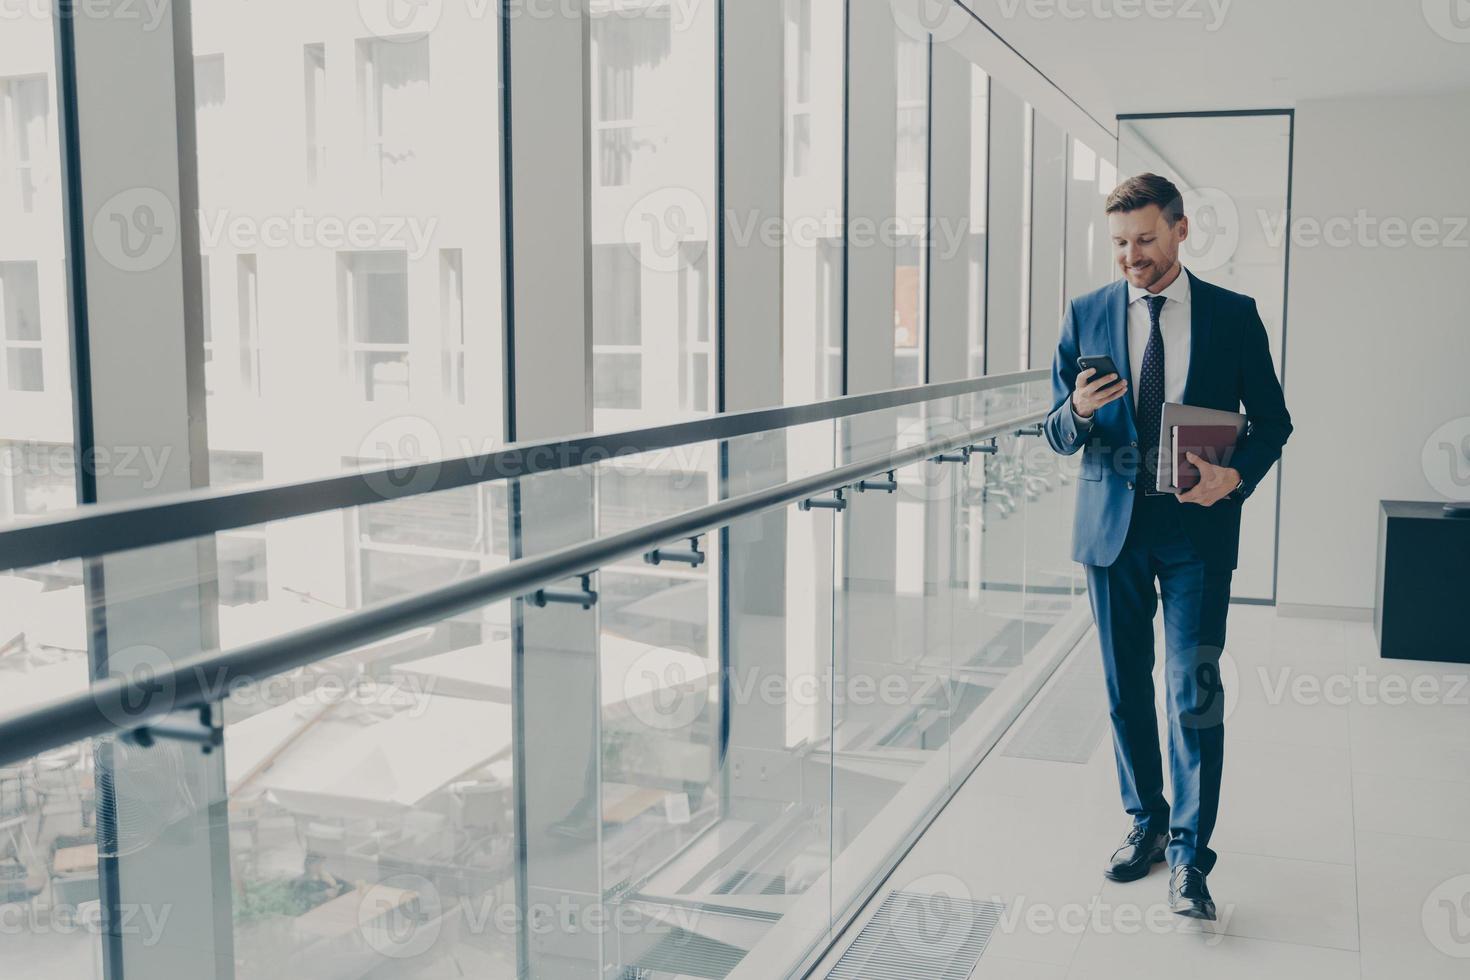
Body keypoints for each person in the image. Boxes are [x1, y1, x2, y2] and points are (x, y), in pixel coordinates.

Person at [1043, 173, 1292, 920]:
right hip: (1111, 530)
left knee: (1195, 694)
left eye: (1145, 240)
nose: (1131, 257)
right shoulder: (1086, 313)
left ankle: (1190, 854)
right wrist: (1078, 412)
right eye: (1120, 243)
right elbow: (1053, 429)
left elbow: (1273, 421)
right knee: (1124, 692)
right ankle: (1145, 824)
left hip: (1195, 530)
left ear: (1182, 229)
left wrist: (1234, 477)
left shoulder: (1232, 316)